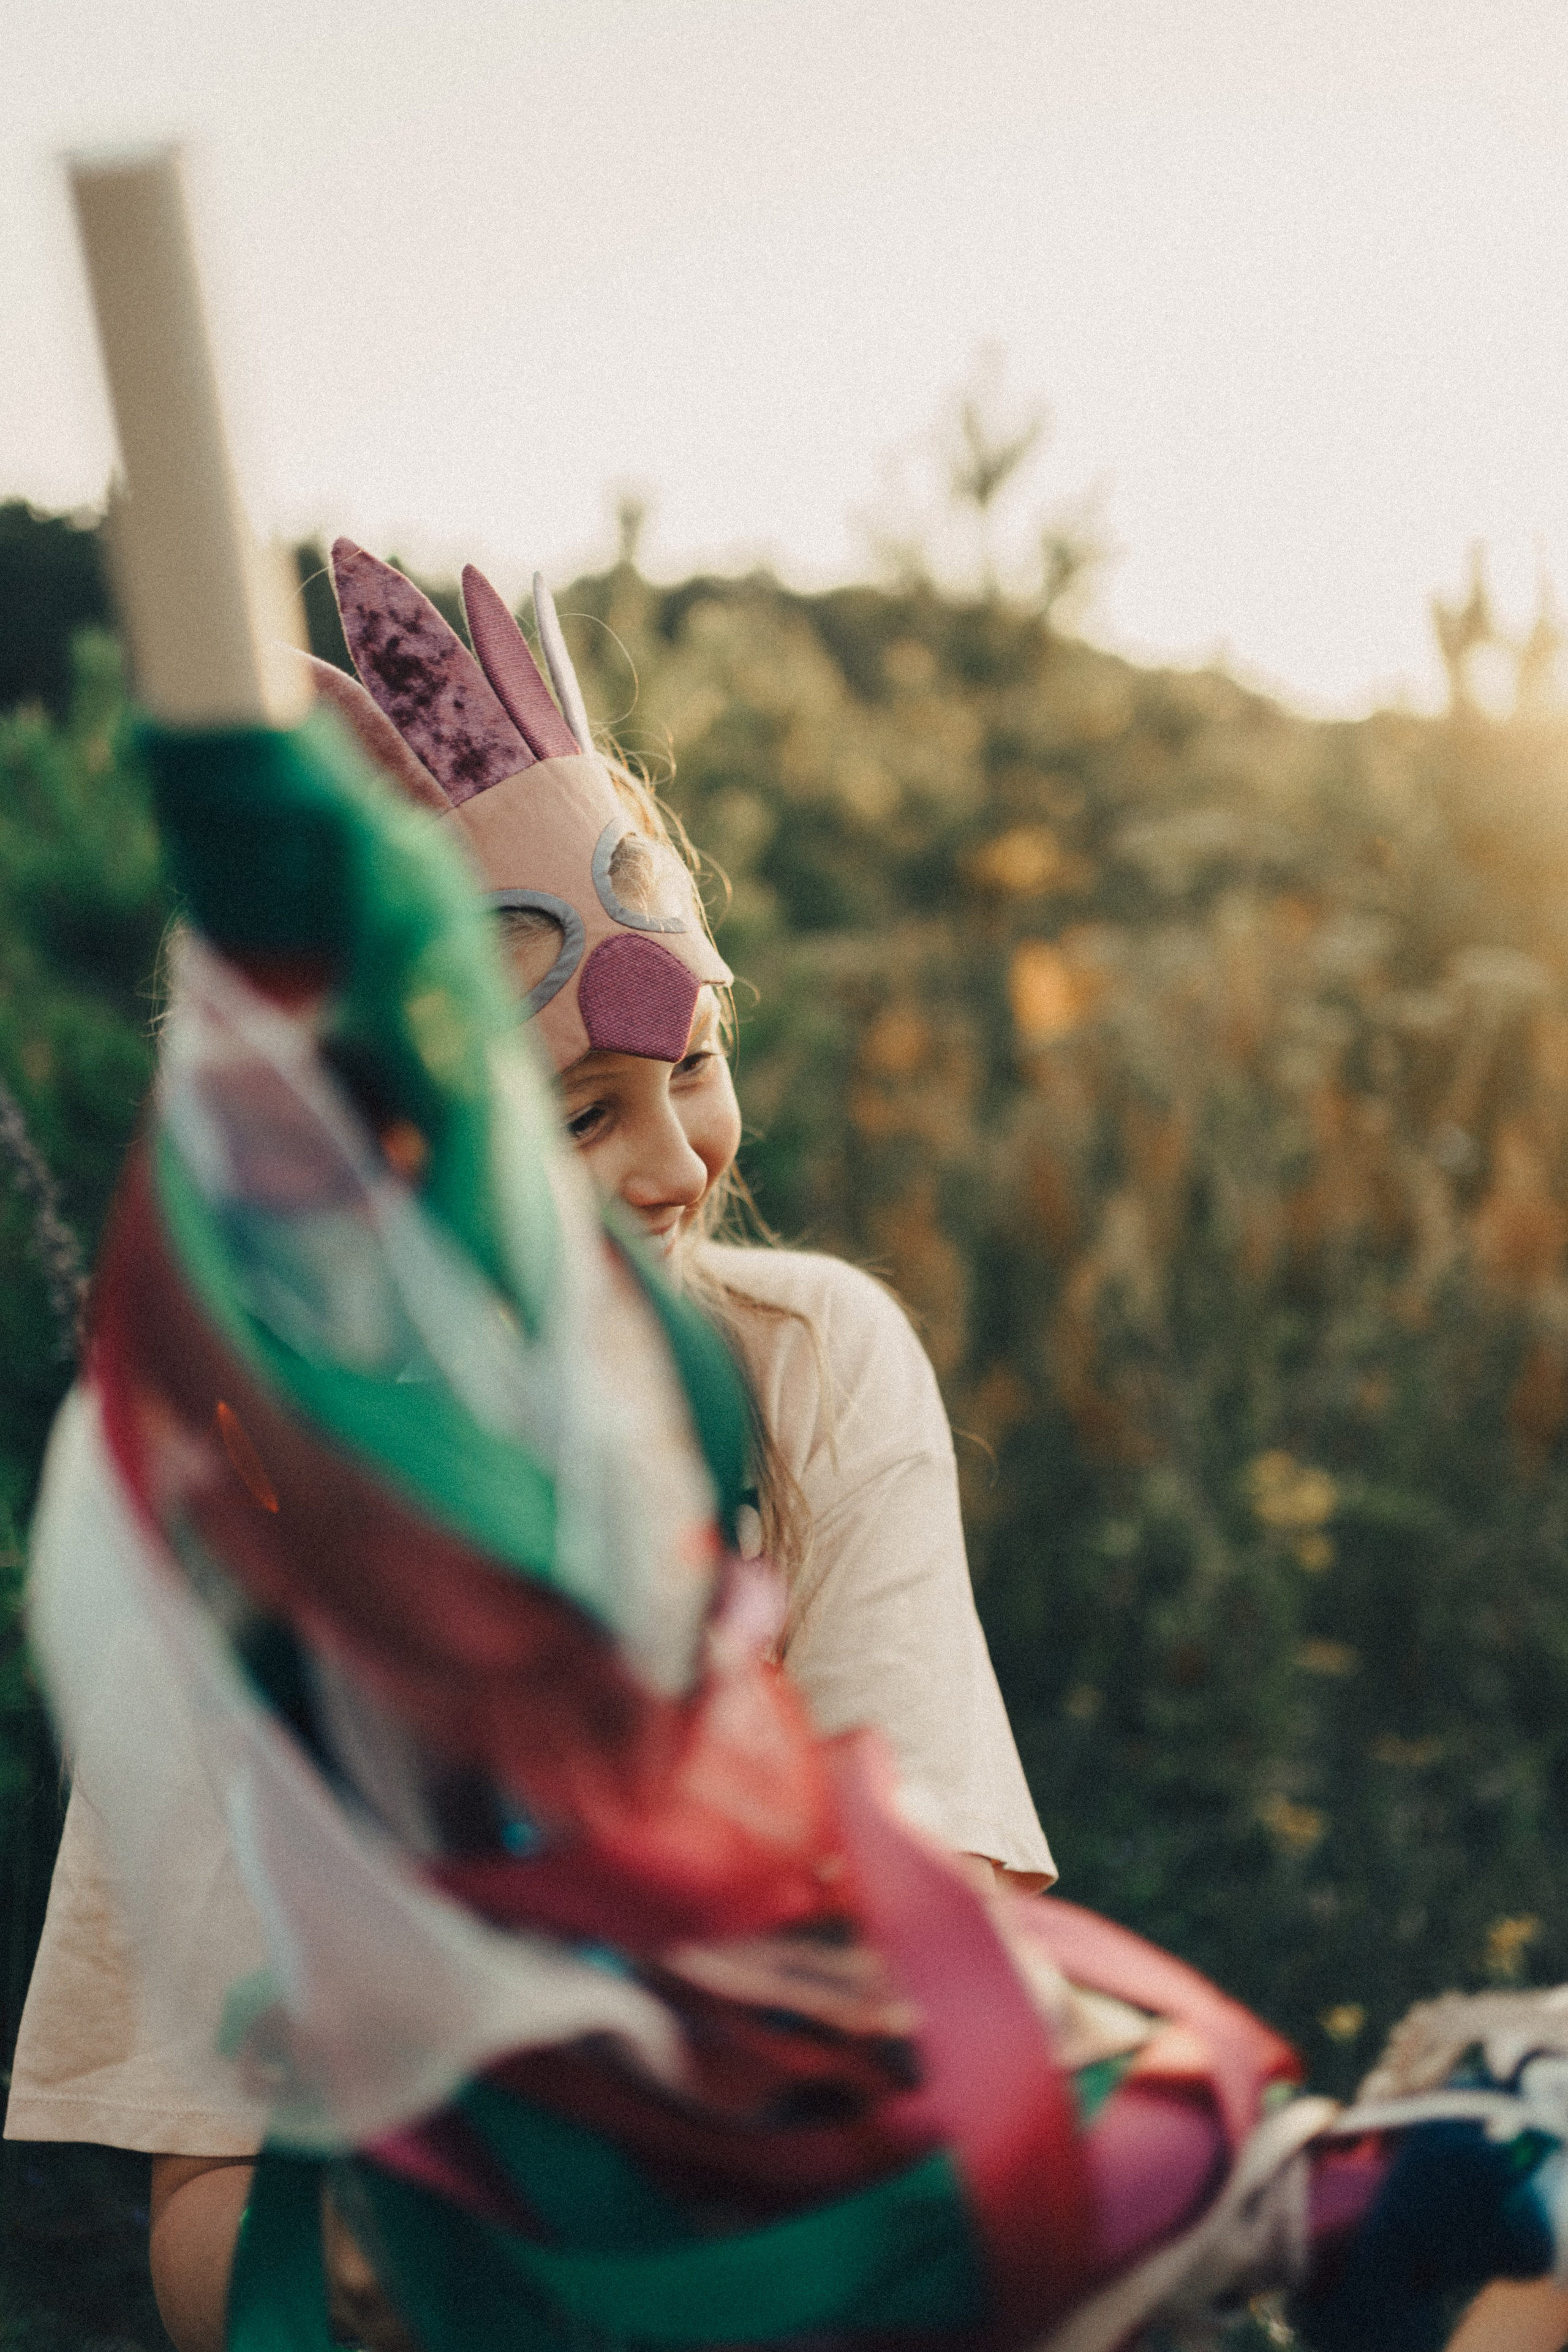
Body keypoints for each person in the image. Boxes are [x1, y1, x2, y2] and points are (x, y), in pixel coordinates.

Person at [4, 545, 1052, 2352]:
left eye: (694, 1064)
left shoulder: (806, 1368)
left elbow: (955, 1938)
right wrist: (399, 2273)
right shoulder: (242, 1523)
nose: (682, 1162)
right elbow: (206, 2188)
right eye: (577, 1117)